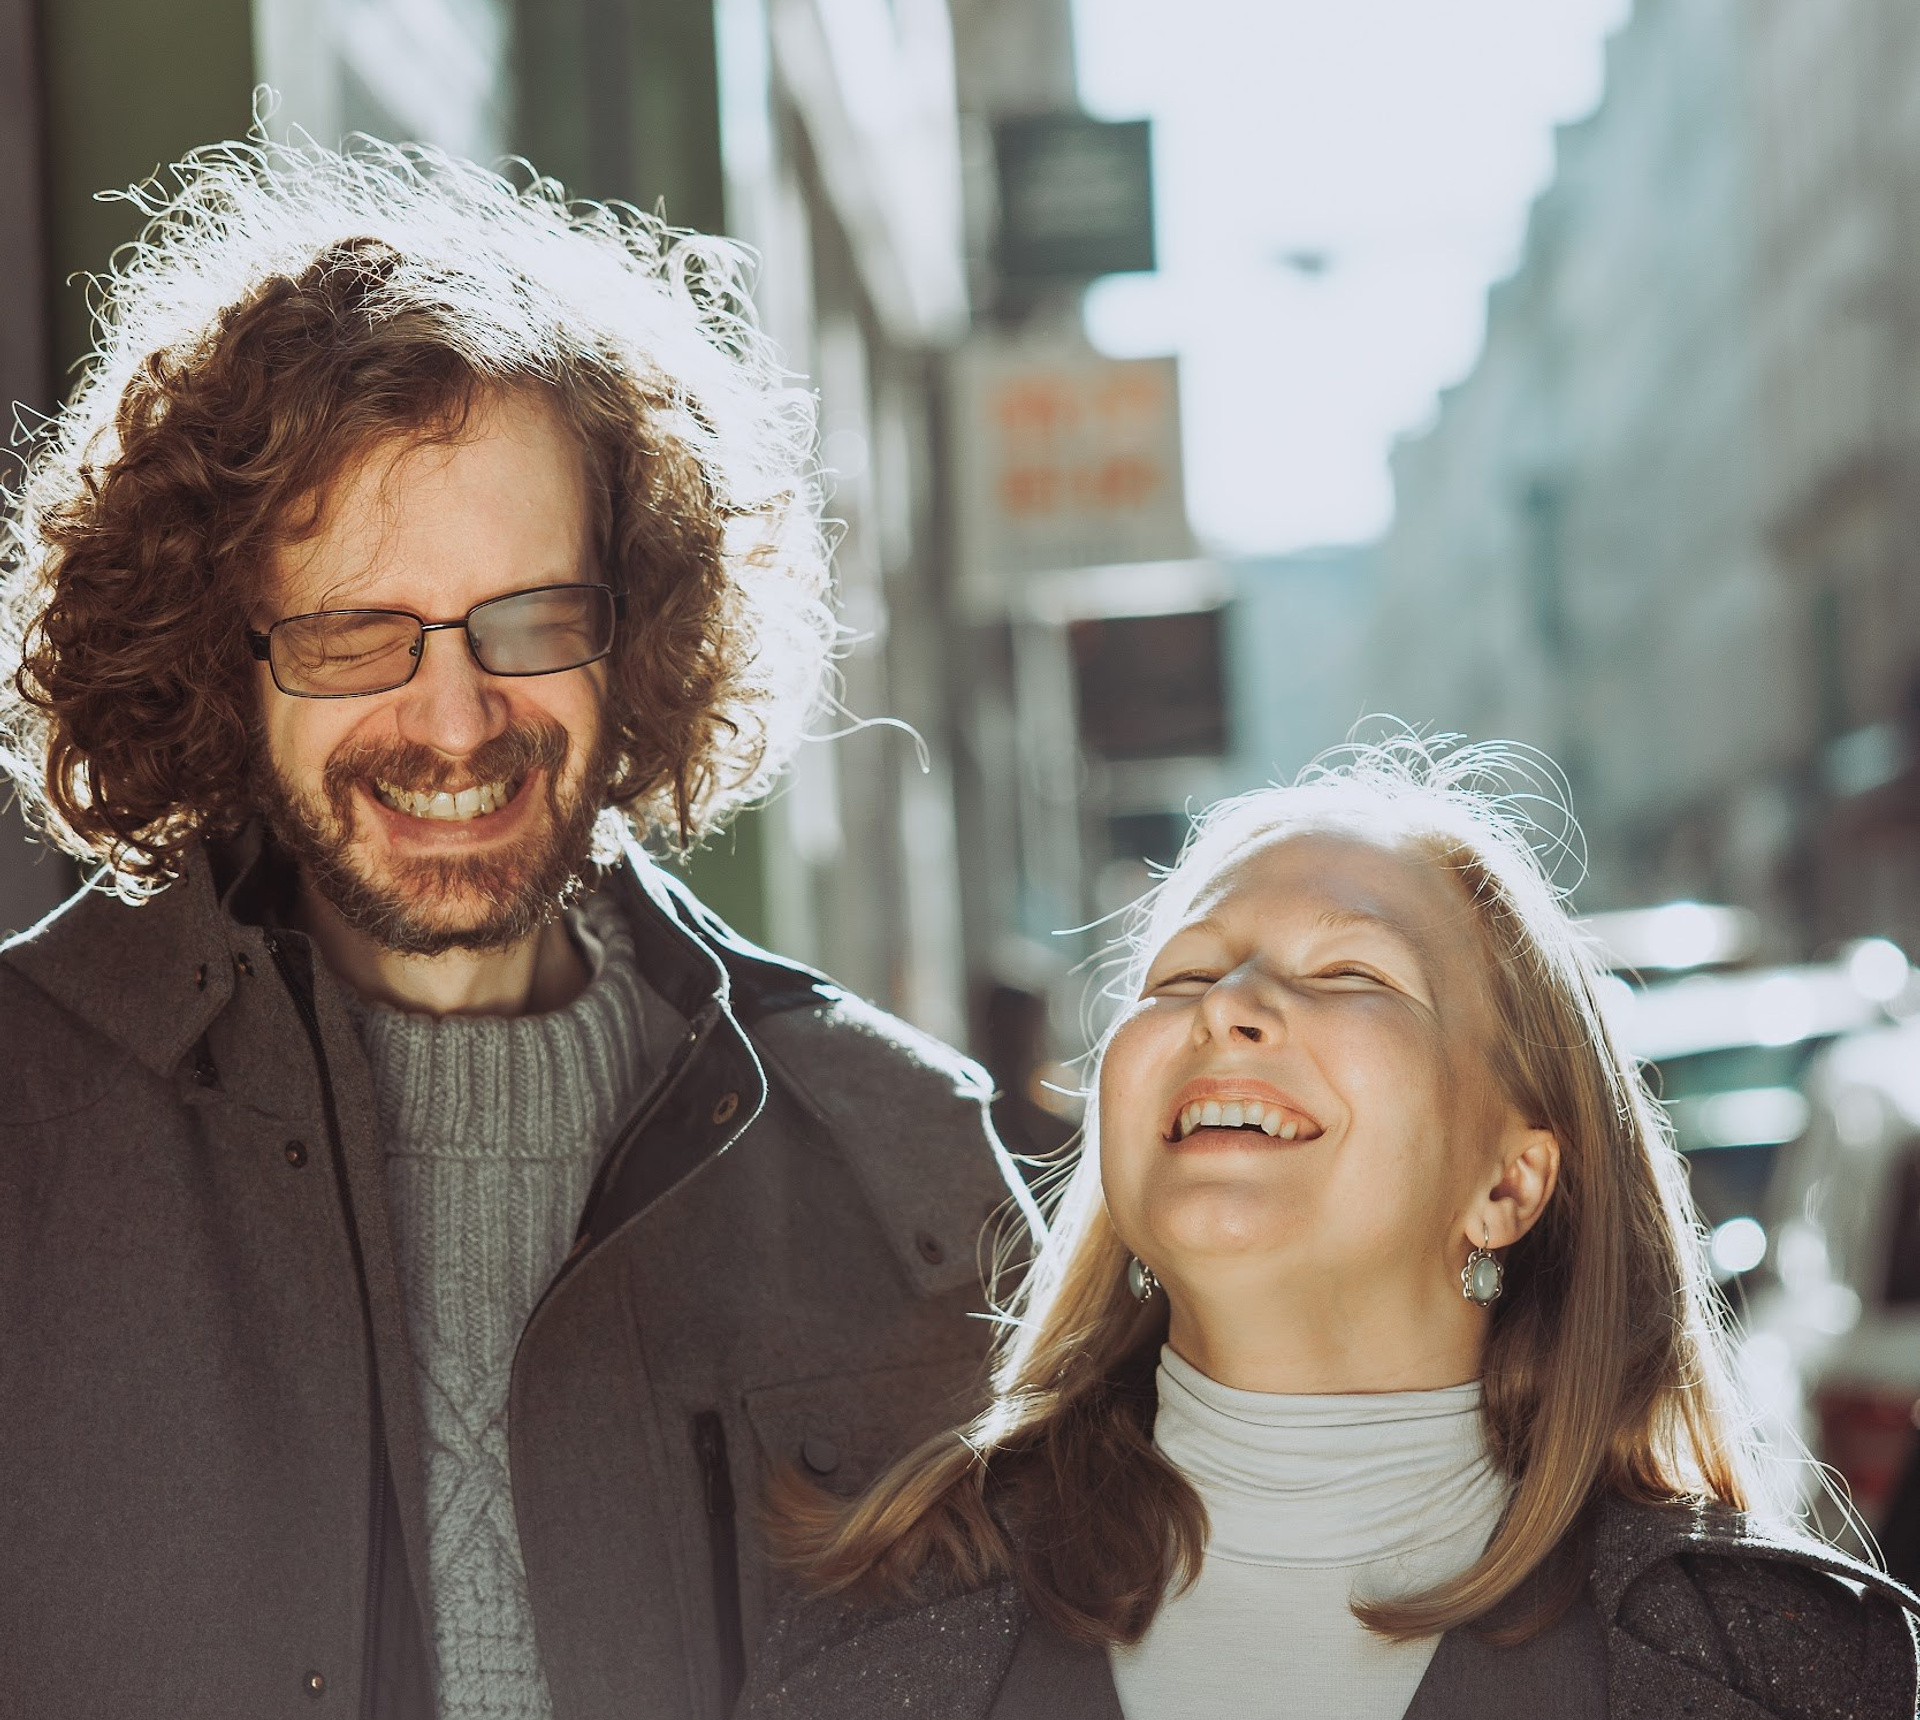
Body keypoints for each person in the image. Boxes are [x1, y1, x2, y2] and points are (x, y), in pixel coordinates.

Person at [0, 137, 1028, 1720]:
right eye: (357, 634)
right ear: (220, 657)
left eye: (534, 620)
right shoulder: (28, 1125)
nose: (458, 716)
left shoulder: (905, 1162)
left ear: (639, 630)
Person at [742, 740, 1920, 1719]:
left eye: (1352, 972)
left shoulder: (1794, 1671)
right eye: (1182, 974)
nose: (1232, 1005)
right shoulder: (867, 1634)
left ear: (1509, 1184)